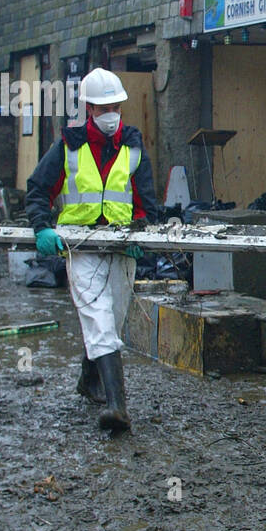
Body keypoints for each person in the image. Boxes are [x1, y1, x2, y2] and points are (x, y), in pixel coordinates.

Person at [26, 67, 160, 432]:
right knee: (100, 321)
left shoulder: (132, 148)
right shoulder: (67, 146)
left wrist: (141, 239)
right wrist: (43, 228)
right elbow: (38, 189)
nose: (110, 113)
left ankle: (89, 380)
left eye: (115, 106)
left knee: (111, 320)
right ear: (89, 109)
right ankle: (118, 408)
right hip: (80, 245)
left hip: (119, 246)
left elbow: (147, 203)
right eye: (102, 108)